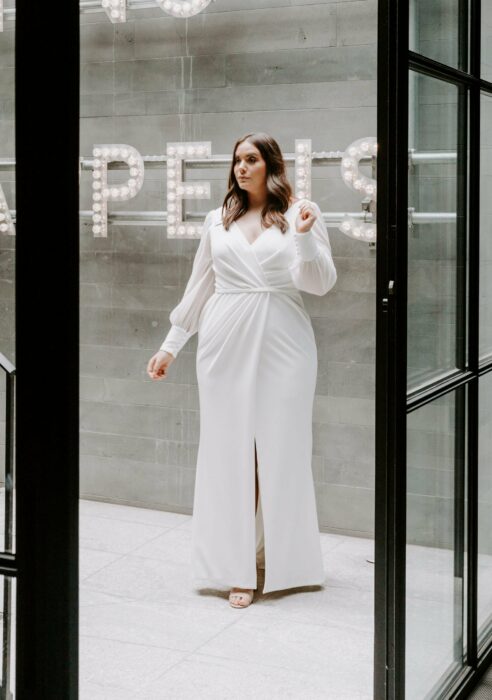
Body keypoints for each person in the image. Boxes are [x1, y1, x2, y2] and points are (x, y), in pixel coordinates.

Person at [147, 132, 337, 609]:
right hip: (223, 341)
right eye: (237, 160)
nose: (241, 168)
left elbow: (319, 285)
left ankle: (281, 558)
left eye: (251, 159)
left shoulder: (301, 213)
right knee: (229, 452)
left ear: (271, 163)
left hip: (284, 341)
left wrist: (307, 237)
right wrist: (171, 346)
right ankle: (237, 567)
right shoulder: (218, 219)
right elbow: (199, 288)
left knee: (280, 450)